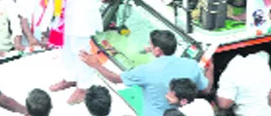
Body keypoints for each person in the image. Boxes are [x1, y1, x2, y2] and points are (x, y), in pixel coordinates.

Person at [81, 30, 212, 116]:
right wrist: (210, 68)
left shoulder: (145, 70)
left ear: (158, 51)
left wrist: (94, 64)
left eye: (150, 45)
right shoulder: (192, 65)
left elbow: (114, 78)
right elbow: (206, 89)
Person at [216, 50, 271, 115]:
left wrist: (214, 94)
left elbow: (224, 104)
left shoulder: (228, 73)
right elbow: (265, 54)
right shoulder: (259, 59)